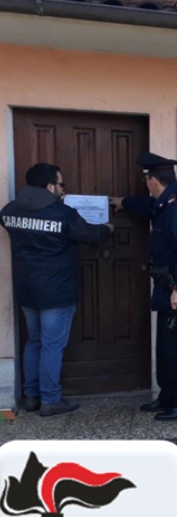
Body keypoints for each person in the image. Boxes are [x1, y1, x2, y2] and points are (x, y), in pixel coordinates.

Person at [0, 163, 113, 416]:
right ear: (50, 186)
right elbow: (92, 235)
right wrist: (108, 228)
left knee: (34, 341)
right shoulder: (63, 214)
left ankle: (32, 396)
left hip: (27, 289)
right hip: (56, 291)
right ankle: (50, 399)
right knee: (52, 345)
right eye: (61, 184)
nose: (63, 189)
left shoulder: (9, 210)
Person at [110, 153, 177, 421]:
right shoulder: (166, 202)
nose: (146, 185)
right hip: (169, 287)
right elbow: (149, 207)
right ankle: (169, 397)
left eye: (146, 180)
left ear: (152, 180)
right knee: (167, 348)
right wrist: (124, 202)